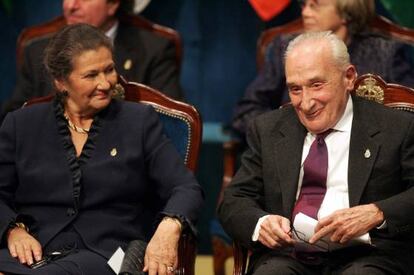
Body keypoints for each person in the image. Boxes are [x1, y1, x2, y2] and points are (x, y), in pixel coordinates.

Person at [0, 23, 203, 275]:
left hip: (106, 255)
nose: (106, 83)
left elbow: (185, 187)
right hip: (31, 251)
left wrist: (169, 226)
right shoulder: (22, 124)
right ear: (61, 81)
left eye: (109, 70)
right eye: (91, 75)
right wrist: (12, 230)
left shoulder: (138, 122)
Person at [219, 31, 414, 274]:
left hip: (370, 257)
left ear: (349, 77)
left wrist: (378, 212)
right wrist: (262, 223)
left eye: (316, 85)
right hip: (290, 256)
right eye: (295, 89)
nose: (306, 102)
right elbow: (234, 200)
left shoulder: (397, 128)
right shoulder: (269, 129)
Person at [232, 0, 414, 137]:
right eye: (304, 5)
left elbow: (408, 113)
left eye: (316, 5)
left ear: (346, 11)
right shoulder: (287, 49)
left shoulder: (385, 53)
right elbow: (247, 112)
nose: (305, 12)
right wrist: (289, 135)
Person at [1, 0, 183, 122]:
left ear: (113, 4)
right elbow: (14, 118)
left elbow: (171, 121)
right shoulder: (37, 51)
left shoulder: (153, 50)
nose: (71, 6)